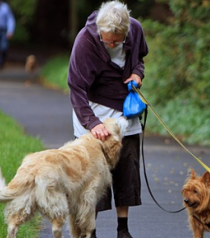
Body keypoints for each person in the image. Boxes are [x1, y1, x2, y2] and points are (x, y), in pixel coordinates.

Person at [67, 1, 149, 238]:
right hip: (93, 110)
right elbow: (76, 88)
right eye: (108, 40)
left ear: (126, 31)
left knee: (127, 168)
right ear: (99, 31)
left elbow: (140, 59)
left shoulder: (135, 29)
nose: (112, 44)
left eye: (117, 40)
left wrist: (137, 73)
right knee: (93, 177)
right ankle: (90, 231)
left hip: (125, 111)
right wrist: (93, 123)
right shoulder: (85, 41)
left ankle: (123, 229)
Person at [0, 0, 15, 69]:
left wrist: (10, 31)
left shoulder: (5, 7)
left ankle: (2, 61)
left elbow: (10, 19)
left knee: (3, 47)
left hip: (3, 31)